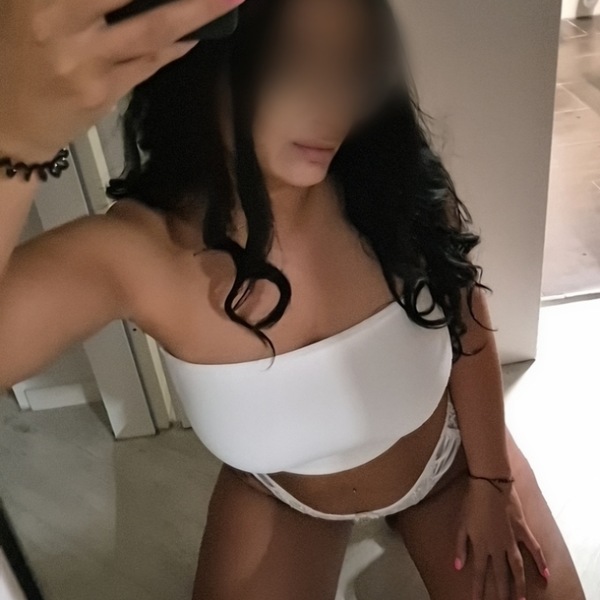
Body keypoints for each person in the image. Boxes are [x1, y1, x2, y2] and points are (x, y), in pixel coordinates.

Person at [0, 1, 587, 599]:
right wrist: (17, 135)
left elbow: (465, 313)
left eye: (353, 64)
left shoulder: (388, 181)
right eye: (294, 62)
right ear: (206, 65)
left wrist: (492, 480)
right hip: (282, 495)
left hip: (449, 465)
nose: (335, 103)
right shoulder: (142, 254)